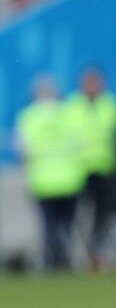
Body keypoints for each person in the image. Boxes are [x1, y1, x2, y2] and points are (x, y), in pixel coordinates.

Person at [16, 76, 85, 270]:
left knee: (49, 225)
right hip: (70, 179)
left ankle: (54, 259)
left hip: (43, 181)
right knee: (67, 225)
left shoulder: (28, 116)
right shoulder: (68, 113)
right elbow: (79, 144)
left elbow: (23, 150)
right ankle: (65, 258)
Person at [67, 68, 116, 266]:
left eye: (95, 82)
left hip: (103, 167)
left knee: (102, 214)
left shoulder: (109, 104)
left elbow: (115, 134)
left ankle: (97, 252)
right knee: (80, 215)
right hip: (79, 170)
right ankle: (82, 252)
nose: (92, 86)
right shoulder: (72, 106)